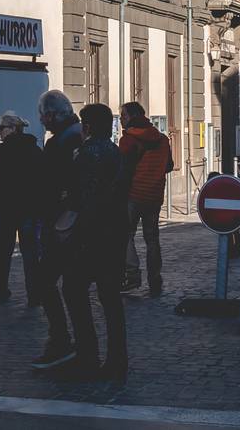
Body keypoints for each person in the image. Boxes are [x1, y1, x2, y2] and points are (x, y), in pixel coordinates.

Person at [62, 102, 130, 382]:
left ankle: (87, 352)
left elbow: (81, 199)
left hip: (90, 235)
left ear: (87, 126)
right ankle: (118, 358)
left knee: (74, 290)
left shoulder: (85, 155)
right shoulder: (115, 152)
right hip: (114, 232)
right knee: (111, 299)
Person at [29, 89, 84, 373]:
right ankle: (77, 345)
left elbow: (52, 184)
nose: (42, 122)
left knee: (49, 282)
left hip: (63, 224)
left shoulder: (61, 143)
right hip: (74, 222)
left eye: (43, 117)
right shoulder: (78, 135)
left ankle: (61, 340)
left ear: (51, 115)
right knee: (73, 287)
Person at [0, 111, 43, 305]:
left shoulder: (1, 151)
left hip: (6, 209)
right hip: (28, 209)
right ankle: (33, 294)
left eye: (2, 128)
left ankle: (1, 291)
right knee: (30, 253)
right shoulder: (34, 150)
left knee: (3, 253)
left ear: (11, 129)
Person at [118, 101, 172, 296]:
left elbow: (123, 170)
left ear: (131, 117)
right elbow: (169, 165)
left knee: (125, 235)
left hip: (133, 194)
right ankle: (155, 281)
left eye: (123, 116)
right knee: (152, 239)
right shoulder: (163, 139)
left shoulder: (128, 140)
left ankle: (132, 275)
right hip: (154, 195)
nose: (122, 120)